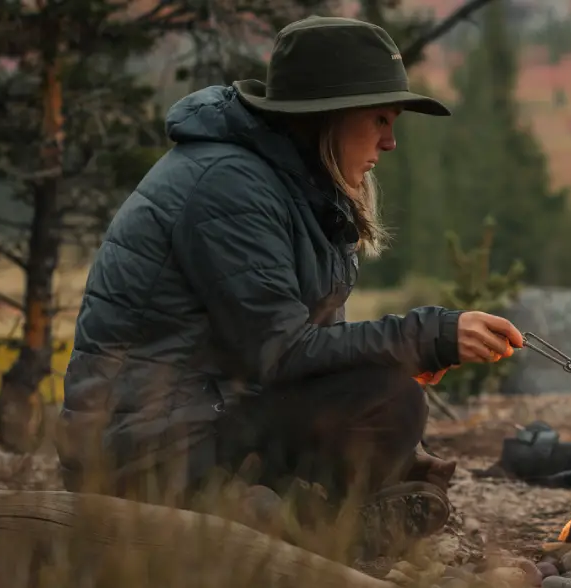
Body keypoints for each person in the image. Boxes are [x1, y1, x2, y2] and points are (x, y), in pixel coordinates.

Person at [55, 15, 524, 559]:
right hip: (142, 448)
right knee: (390, 399)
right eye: (379, 119)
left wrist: (397, 399)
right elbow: (282, 353)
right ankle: (279, 526)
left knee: (390, 398)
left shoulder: (304, 188)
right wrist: (429, 335)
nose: (390, 142)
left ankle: (294, 517)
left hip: (209, 418)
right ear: (327, 115)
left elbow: (319, 354)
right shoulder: (229, 185)